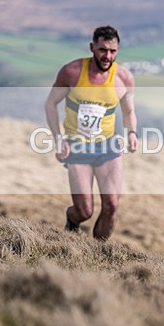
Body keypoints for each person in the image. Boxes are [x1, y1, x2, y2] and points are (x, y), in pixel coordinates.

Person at [44, 25, 138, 241]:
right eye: (103, 50)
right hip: (77, 146)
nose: (107, 56)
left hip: (108, 146)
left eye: (113, 51)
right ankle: (72, 221)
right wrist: (58, 139)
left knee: (111, 206)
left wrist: (132, 132)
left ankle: (97, 252)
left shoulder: (124, 78)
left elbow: (129, 110)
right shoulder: (71, 72)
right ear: (92, 47)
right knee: (84, 211)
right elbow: (50, 105)